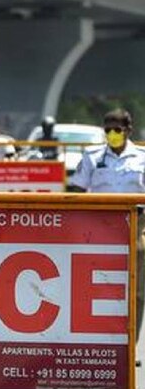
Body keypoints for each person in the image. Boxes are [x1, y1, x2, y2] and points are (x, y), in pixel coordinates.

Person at [70, 108, 145, 339]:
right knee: (96, 287)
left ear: (128, 130)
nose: (112, 133)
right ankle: (102, 343)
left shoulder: (142, 158)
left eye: (117, 129)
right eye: (108, 129)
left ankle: (130, 345)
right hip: (100, 229)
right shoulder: (92, 157)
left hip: (136, 227)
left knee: (136, 290)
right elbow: (75, 190)